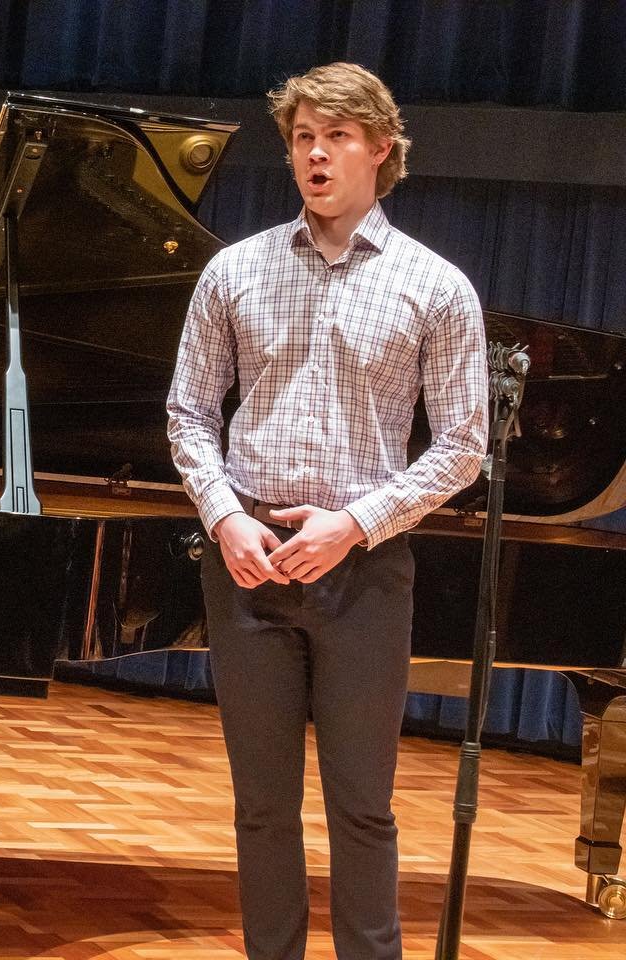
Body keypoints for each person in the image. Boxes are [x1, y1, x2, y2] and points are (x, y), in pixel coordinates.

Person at [166, 63, 488, 960]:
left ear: (380, 151)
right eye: (304, 137)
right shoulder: (234, 270)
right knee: (261, 806)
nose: (316, 154)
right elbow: (189, 412)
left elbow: (464, 444)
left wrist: (354, 523)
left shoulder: (436, 286)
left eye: (337, 138)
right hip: (247, 562)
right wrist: (226, 516)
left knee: (362, 806)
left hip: (365, 570)